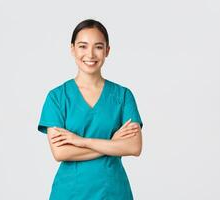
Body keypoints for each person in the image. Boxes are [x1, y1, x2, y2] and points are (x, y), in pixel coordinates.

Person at [37, 19, 143, 200]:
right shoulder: (57, 97)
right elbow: (61, 152)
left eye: (98, 47)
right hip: (70, 192)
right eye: (83, 46)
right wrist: (112, 143)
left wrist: (80, 141)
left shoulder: (123, 96)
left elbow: (134, 147)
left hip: (112, 191)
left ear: (107, 51)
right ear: (72, 49)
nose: (90, 54)